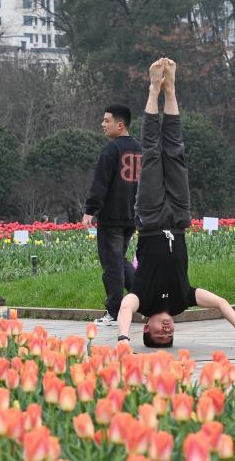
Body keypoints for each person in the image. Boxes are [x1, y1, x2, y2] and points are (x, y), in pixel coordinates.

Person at [116, 58, 235, 350]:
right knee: (175, 154)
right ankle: (170, 90)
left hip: (150, 219)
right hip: (179, 218)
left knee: (151, 155)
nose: (167, 330)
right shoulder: (183, 300)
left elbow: (123, 308)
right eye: (169, 336)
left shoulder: (140, 299)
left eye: (159, 333)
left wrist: (123, 339)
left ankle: (153, 89)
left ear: (145, 326)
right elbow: (221, 303)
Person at [83, 104, 143, 325]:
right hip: (132, 216)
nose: (102, 124)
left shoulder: (111, 150)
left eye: (106, 120)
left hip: (112, 217)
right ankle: (144, 296)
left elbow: (101, 184)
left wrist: (90, 210)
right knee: (119, 260)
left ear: (120, 124)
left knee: (112, 265)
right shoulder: (140, 149)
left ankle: (115, 311)